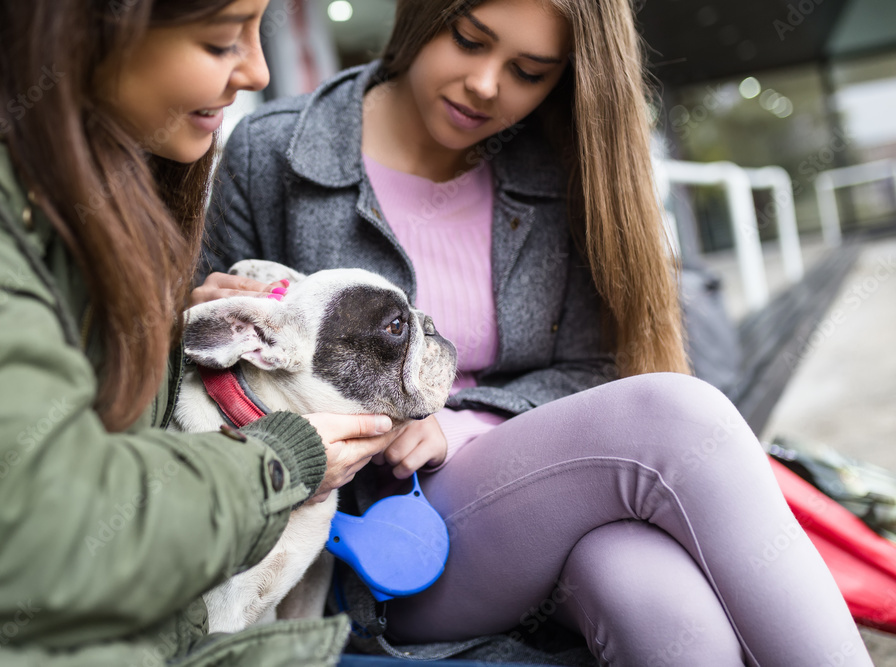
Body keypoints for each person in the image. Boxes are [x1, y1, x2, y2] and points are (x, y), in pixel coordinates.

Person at [199, 0, 874, 664]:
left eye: (529, 71)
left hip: (546, 494)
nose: (487, 84)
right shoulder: (273, 150)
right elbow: (208, 396)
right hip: (371, 540)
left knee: (664, 608)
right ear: (425, 14)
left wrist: (449, 426)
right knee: (680, 415)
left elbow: (593, 367)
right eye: (468, 39)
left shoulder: (558, 164)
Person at [0, 1, 400, 665]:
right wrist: (278, 462)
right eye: (222, 41)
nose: (257, 69)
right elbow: (22, 531)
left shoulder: (83, 167)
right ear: (85, 25)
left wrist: (156, 337)